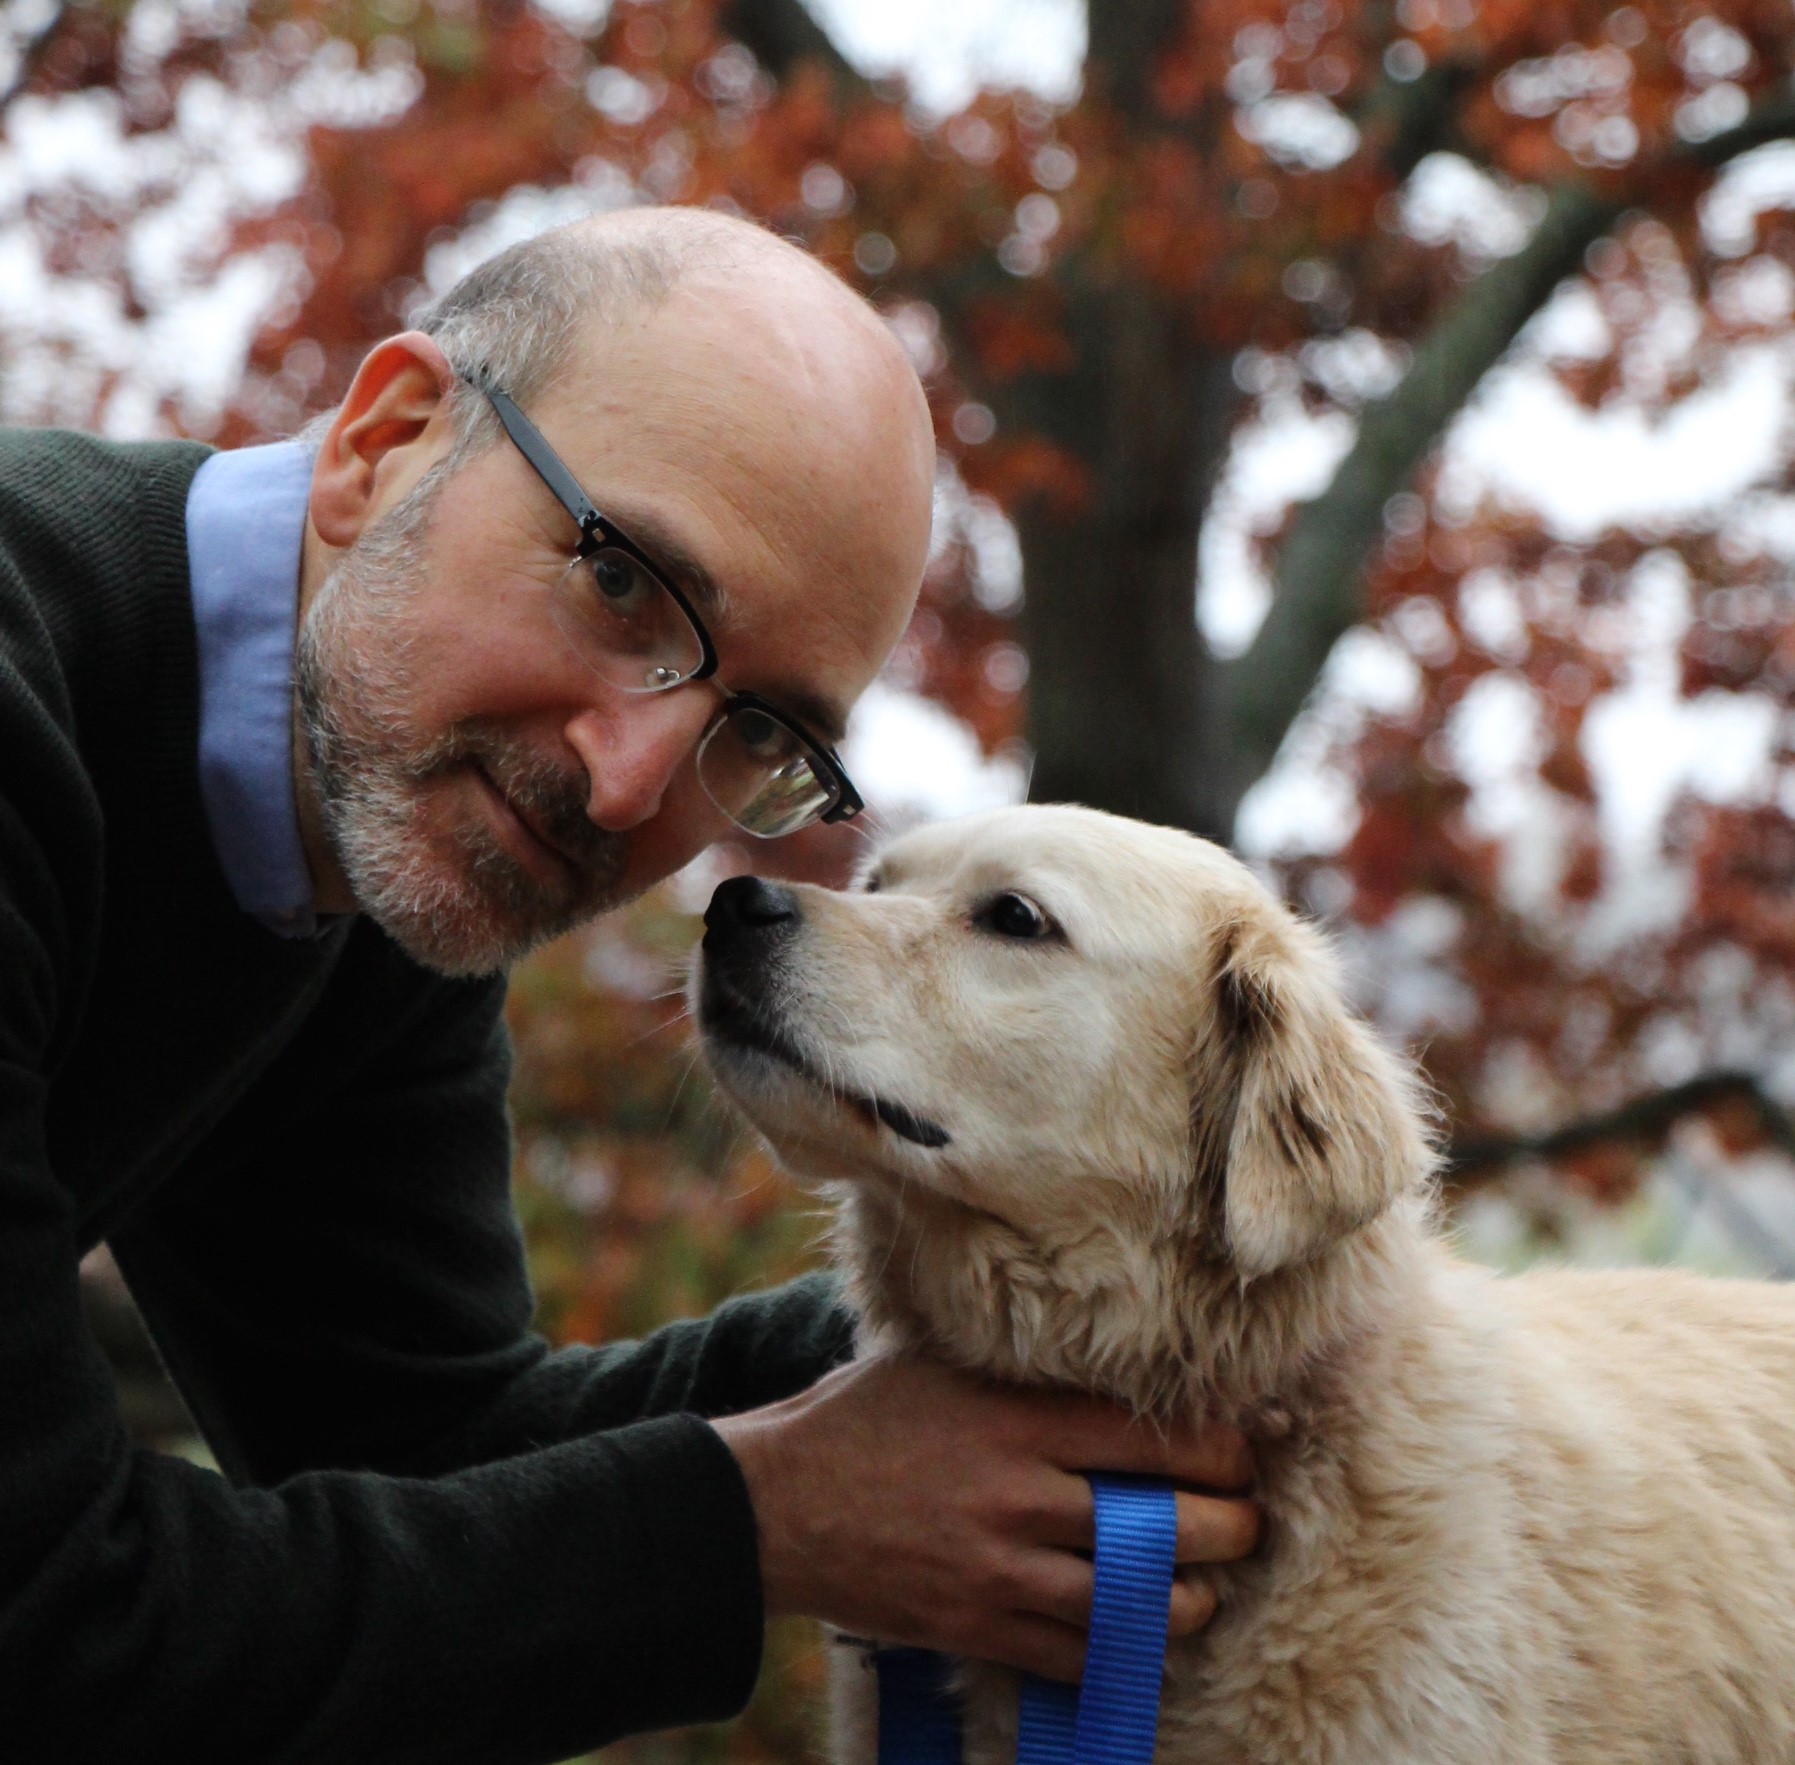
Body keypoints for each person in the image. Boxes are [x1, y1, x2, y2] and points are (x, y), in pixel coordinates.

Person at [0, 205, 1257, 1760]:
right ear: (384, 442)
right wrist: (761, 1522)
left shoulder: (370, 835)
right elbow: (43, 1626)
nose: (629, 783)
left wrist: (973, 1321)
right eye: (621, 585)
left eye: (760, 735)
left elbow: (435, 1456)